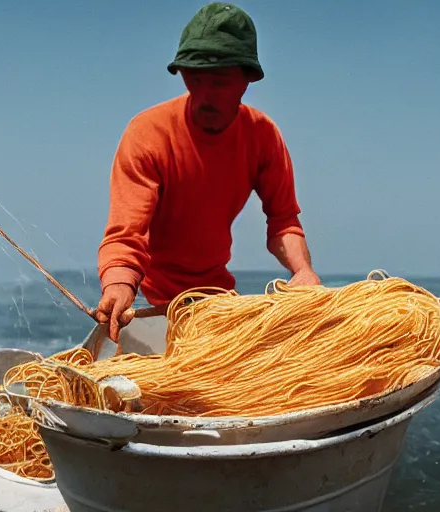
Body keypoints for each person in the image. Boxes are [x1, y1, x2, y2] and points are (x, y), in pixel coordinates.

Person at [92, 2, 320, 342]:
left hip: (217, 299)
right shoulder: (147, 134)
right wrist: (118, 284)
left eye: (219, 82)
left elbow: (283, 220)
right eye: (195, 79)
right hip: (149, 301)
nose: (204, 97)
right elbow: (127, 233)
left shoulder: (262, 136)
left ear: (246, 80)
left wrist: (302, 271)